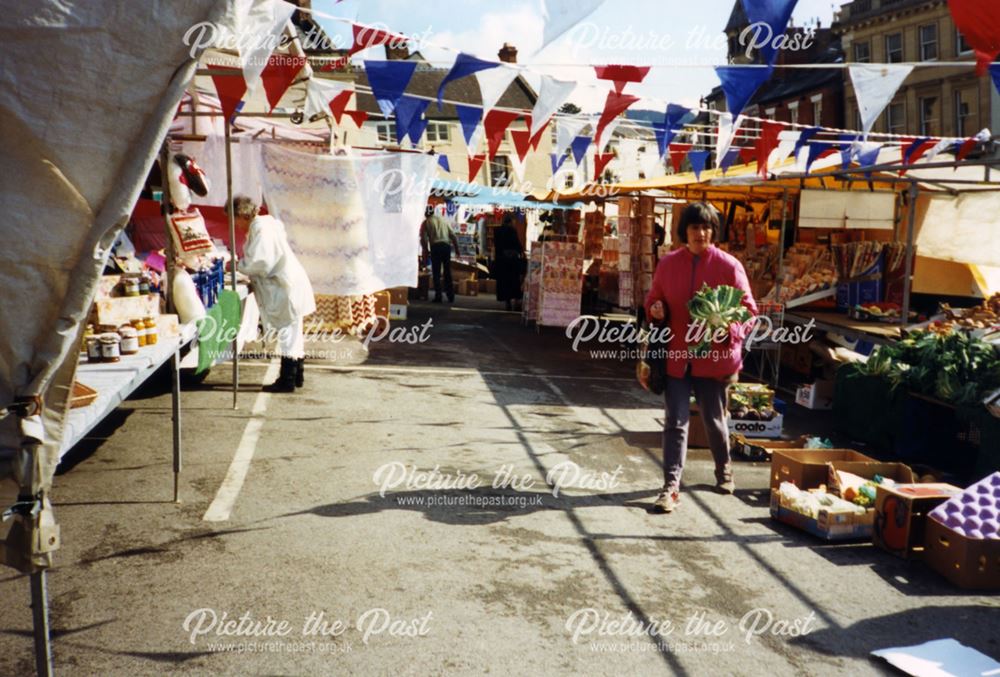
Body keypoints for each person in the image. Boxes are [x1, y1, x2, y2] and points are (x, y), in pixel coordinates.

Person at [643, 202, 757, 514]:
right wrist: (655, 308)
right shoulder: (668, 264)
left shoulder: (729, 266)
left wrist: (729, 330)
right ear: (684, 232)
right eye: (694, 227)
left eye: (706, 227)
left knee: (714, 420)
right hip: (677, 357)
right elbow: (654, 297)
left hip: (715, 359)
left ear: (713, 232)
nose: (700, 233)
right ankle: (670, 486)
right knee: (675, 422)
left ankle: (724, 470)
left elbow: (749, 310)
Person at [230, 195, 316, 393]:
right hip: (288, 284)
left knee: (289, 333)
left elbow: (260, 262)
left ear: (242, 215)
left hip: (285, 287)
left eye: (234, 219)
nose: (234, 225)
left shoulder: (261, 229)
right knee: (293, 333)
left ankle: (287, 380)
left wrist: (237, 265)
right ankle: (296, 376)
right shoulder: (264, 225)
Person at [421, 206, 459, 303]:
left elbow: (424, 239)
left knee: (436, 273)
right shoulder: (443, 220)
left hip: (436, 247)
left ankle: (439, 296)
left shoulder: (426, 223)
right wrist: (457, 249)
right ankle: (451, 296)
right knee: (447, 272)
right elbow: (453, 235)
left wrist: (426, 250)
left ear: (426, 214)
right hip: (446, 247)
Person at [493, 215, 524, 311]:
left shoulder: (497, 231)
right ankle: (516, 301)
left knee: (504, 282)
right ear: (510, 222)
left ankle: (507, 302)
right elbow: (517, 244)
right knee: (514, 281)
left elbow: (496, 246)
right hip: (512, 261)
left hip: (501, 260)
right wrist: (521, 252)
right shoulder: (512, 230)